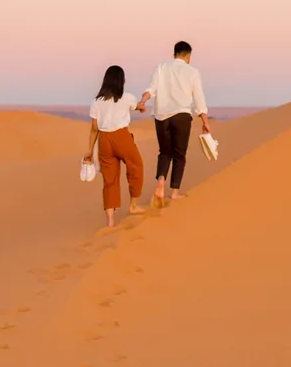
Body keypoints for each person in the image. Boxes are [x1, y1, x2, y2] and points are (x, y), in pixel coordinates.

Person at [136, 41, 211, 205]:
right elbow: (199, 98)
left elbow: (151, 89)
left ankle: (160, 181)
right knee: (179, 155)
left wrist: (142, 102)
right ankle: (175, 192)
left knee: (164, 152)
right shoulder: (192, 72)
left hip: (161, 116)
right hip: (182, 116)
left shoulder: (162, 67)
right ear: (188, 55)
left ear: (174, 54)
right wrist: (205, 121)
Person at [83, 65, 147, 230]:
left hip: (104, 140)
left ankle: (110, 221)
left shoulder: (96, 102)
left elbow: (94, 128)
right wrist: (142, 105)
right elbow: (139, 107)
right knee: (136, 166)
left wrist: (89, 150)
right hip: (121, 137)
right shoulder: (127, 97)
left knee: (109, 180)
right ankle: (133, 205)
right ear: (121, 81)